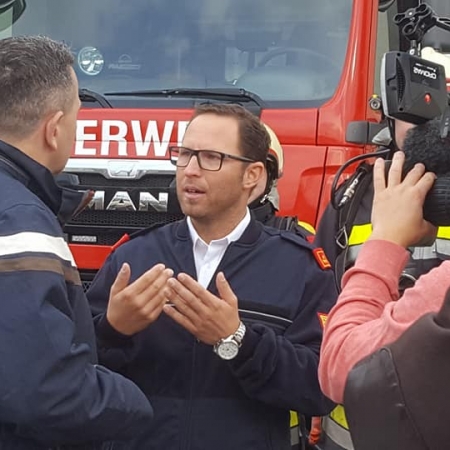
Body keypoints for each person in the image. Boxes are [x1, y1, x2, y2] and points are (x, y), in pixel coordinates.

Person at [87, 102, 337, 450]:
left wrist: (237, 340)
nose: (190, 170)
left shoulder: (299, 266)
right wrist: (111, 330)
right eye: (184, 154)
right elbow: (70, 368)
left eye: (210, 158)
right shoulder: (132, 258)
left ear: (252, 175)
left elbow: (322, 388)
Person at [0, 35, 154, 450]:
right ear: (53, 129)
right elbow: (45, 391)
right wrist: (137, 406)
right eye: (76, 118)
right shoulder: (19, 218)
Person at [312, 118, 450, 450]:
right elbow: (321, 295)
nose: (424, 119)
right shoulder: (352, 195)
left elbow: (344, 364)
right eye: (412, 107)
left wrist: (384, 242)